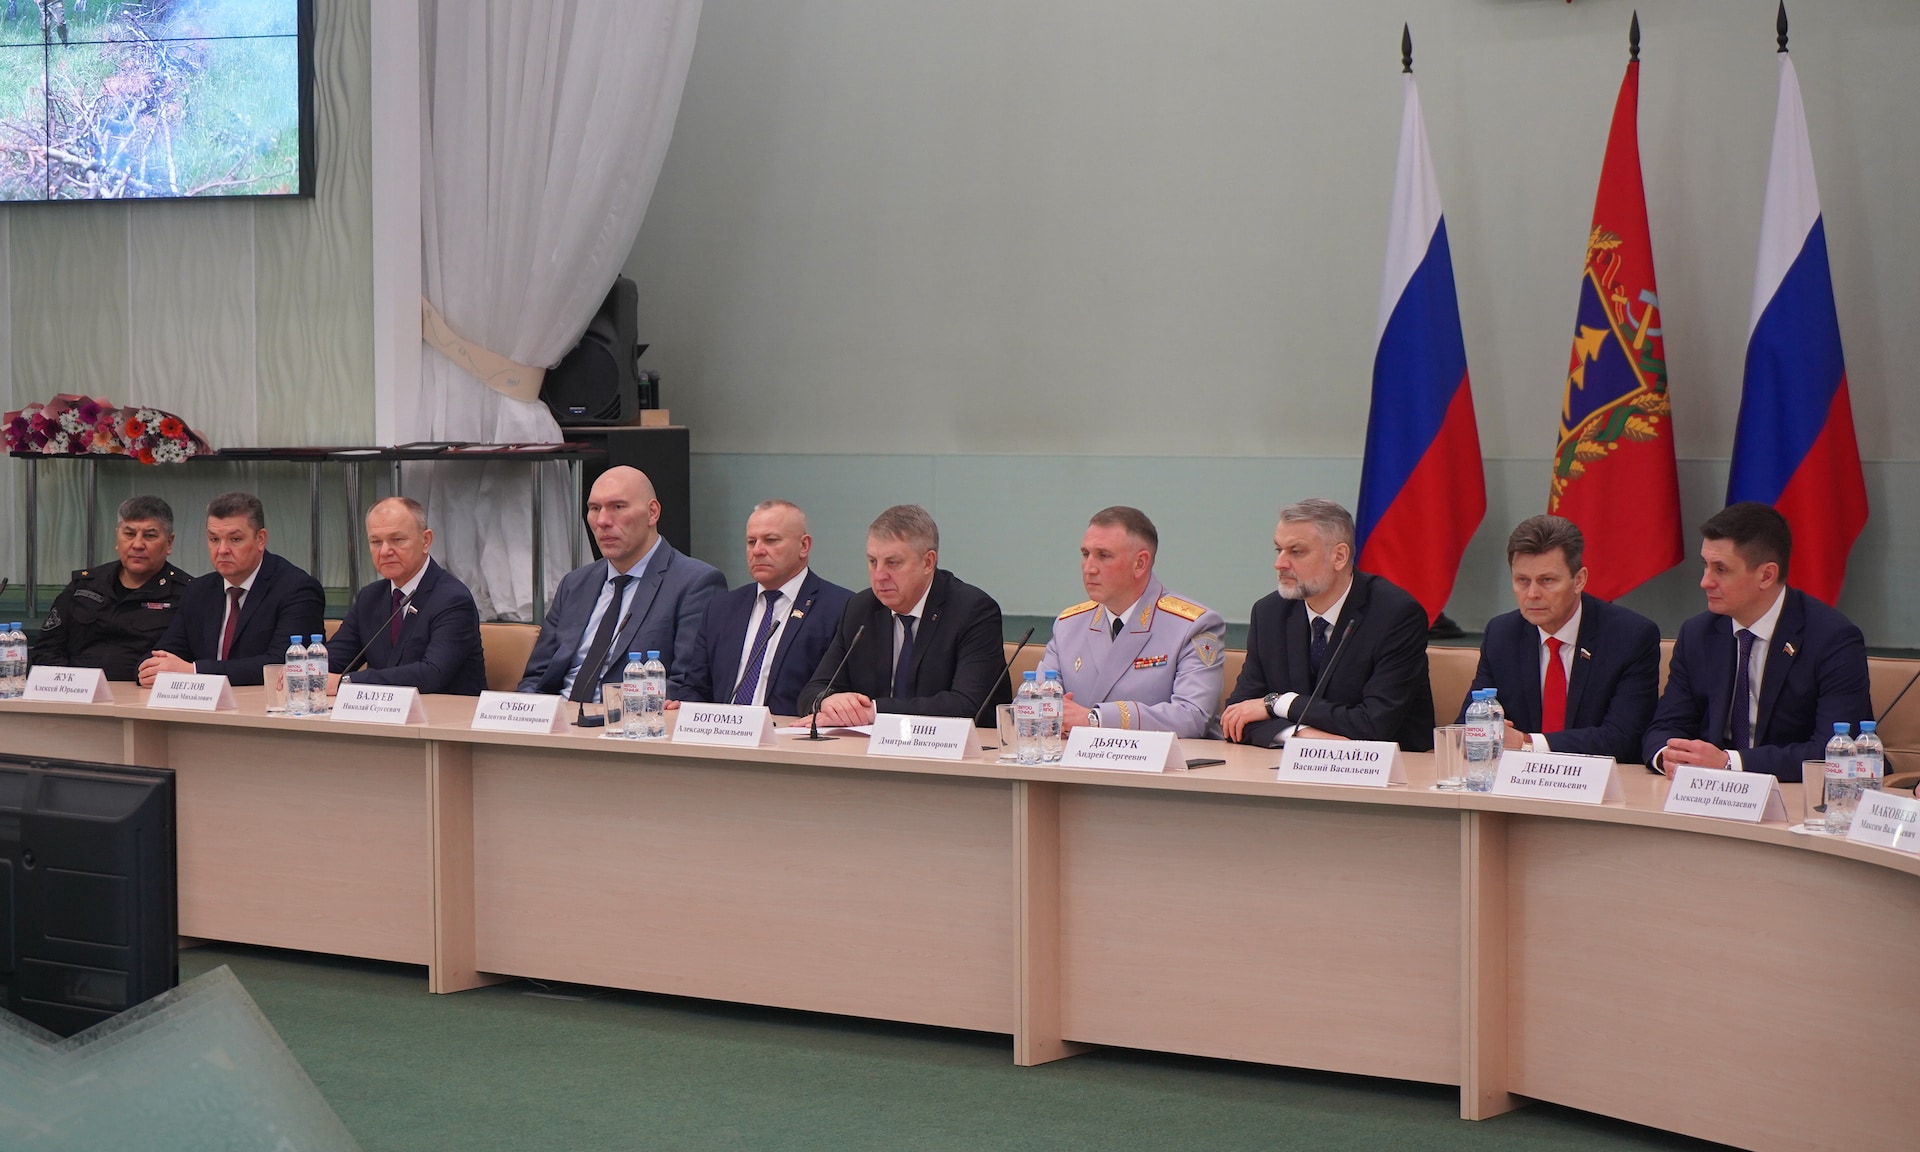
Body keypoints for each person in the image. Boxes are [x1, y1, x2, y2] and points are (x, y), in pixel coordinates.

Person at [1643, 503, 1871, 782]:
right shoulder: (1698, 634)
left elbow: (1835, 751)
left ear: (1766, 575)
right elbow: (1665, 726)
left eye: (1721, 569)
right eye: (1705, 565)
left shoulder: (1832, 639)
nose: (1705, 582)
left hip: (1791, 793)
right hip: (1707, 791)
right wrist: (1669, 756)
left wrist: (1730, 763)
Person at [1220, 498, 1433, 750]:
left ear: (1339, 556)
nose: (1280, 564)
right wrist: (1301, 735)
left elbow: (1374, 725)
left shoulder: (1395, 615)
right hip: (1289, 765)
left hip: (1390, 768)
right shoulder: (1270, 613)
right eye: (1279, 550)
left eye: (1296, 551)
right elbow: (1237, 717)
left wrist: (1280, 703)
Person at [1462, 515, 1660, 763]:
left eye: (1546, 580)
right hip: (1516, 781)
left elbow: (1624, 738)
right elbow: (1470, 725)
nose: (1532, 594)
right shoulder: (1502, 634)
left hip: (1598, 780)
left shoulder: (1630, 637)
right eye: (1522, 580)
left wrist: (1527, 743)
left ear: (1579, 580)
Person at [518, 466, 726, 701]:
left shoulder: (695, 583)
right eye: (594, 508)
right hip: (558, 714)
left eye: (618, 507)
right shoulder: (574, 584)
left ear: (652, 513)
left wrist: (609, 710)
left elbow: (688, 686)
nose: (603, 521)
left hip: (629, 717)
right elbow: (536, 677)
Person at [801, 504, 1012, 726]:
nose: (879, 575)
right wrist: (829, 702)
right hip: (867, 744)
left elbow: (967, 704)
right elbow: (813, 690)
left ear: (928, 562)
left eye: (893, 563)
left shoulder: (973, 611)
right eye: (873, 561)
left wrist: (875, 711)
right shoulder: (860, 609)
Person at [1037, 506, 1226, 739]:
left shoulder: (1193, 625)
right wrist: (1048, 715)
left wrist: (1095, 719)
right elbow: (1033, 701)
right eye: (1085, 554)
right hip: (1074, 759)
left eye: (1103, 555)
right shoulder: (1069, 625)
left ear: (1140, 563)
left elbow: (1192, 716)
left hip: (1166, 761)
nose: (1089, 568)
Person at [675, 500, 853, 716]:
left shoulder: (841, 608)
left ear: (804, 546)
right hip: (724, 732)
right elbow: (696, 687)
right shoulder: (721, 608)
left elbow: (838, 693)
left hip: (791, 734)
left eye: (771, 540)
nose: (757, 551)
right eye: (751, 542)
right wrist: (682, 707)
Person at [141, 491, 324, 687]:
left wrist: (194, 671)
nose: (222, 550)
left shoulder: (297, 589)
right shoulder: (198, 590)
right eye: (214, 539)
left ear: (260, 539)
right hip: (203, 702)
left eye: (235, 539)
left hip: (263, 702)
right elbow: (164, 653)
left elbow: (282, 665)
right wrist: (150, 670)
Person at [324, 497, 486, 696]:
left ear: (426, 541)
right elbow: (335, 659)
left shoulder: (453, 599)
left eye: (397, 540)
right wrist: (305, 670)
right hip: (381, 711)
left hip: (444, 712)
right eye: (376, 542)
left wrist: (347, 682)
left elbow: (431, 674)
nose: (385, 551)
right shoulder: (370, 597)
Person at [31, 495, 193, 682]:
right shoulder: (83, 586)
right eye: (129, 534)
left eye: (149, 536)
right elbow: (47, 649)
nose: (137, 545)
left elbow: (189, 662)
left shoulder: (188, 594)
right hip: (76, 692)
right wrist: (68, 685)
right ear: (117, 537)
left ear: (169, 543)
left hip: (143, 695)